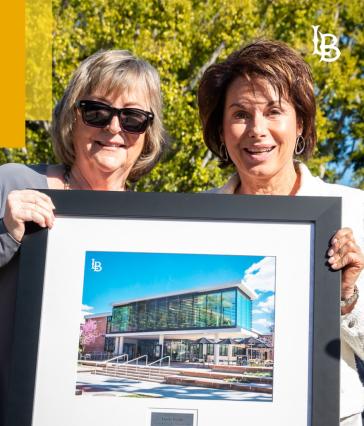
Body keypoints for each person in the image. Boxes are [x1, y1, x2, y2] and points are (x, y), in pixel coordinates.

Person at [197, 39, 364, 425]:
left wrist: (347, 296)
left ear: (300, 122)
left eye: (275, 111)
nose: (257, 130)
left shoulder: (355, 211)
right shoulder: (194, 219)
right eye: (240, 114)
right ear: (221, 130)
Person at [0, 49, 165, 422]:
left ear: (147, 133)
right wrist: (6, 235)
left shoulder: (155, 226)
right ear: (72, 119)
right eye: (97, 111)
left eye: (133, 117)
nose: (113, 128)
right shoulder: (14, 183)